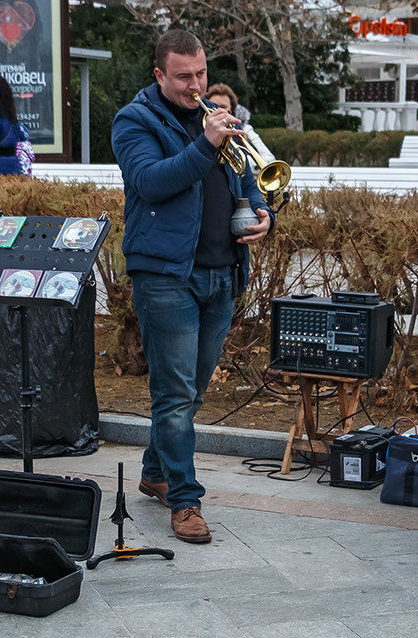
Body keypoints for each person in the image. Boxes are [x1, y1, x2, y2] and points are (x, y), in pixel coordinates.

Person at [111, 29, 273, 544]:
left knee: (192, 391)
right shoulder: (134, 121)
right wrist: (207, 143)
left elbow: (245, 176)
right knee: (175, 393)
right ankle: (185, 500)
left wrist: (263, 213)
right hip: (164, 274)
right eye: (184, 76)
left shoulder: (218, 121)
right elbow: (150, 181)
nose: (196, 84)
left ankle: (155, 471)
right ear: (159, 75)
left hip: (222, 270)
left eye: (201, 73)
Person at [205, 82, 275, 164]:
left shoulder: (245, 129)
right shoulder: (201, 131)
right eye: (214, 106)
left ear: (232, 109)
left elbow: (270, 159)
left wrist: (239, 161)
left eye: (223, 107)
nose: (219, 110)